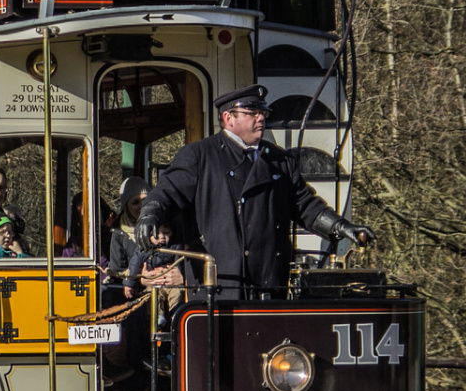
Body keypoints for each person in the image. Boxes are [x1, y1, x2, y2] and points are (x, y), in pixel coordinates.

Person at [140, 84, 371, 297]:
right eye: (252, 113)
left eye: (263, 113)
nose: (261, 118)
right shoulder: (200, 156)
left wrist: (340, 226)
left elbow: (306, 206)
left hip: (268, 283)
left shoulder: (280, 160)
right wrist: (150, 213)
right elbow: (167, 192)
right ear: (228, 118)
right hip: (219, 285)